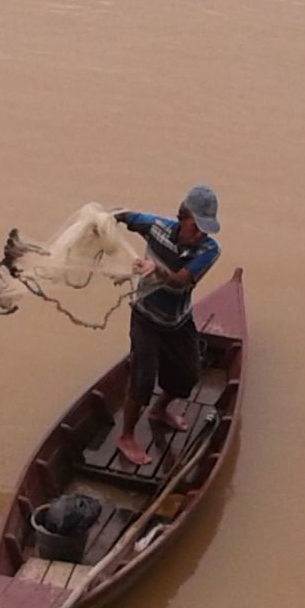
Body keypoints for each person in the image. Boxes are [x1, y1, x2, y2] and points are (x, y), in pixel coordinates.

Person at [112, 185, 221, 465]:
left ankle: (159, 410)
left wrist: (157, 270)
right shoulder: (157, 227)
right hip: (145, 317)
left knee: (188, 376)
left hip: (177, 319)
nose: (199, 235)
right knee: (142, 379)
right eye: (195, 227)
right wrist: (109, 216)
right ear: (182, 217)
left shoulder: (209, 250)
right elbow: (127, 216)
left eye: (205, 229)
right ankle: (126, 436)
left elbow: (180, 280)